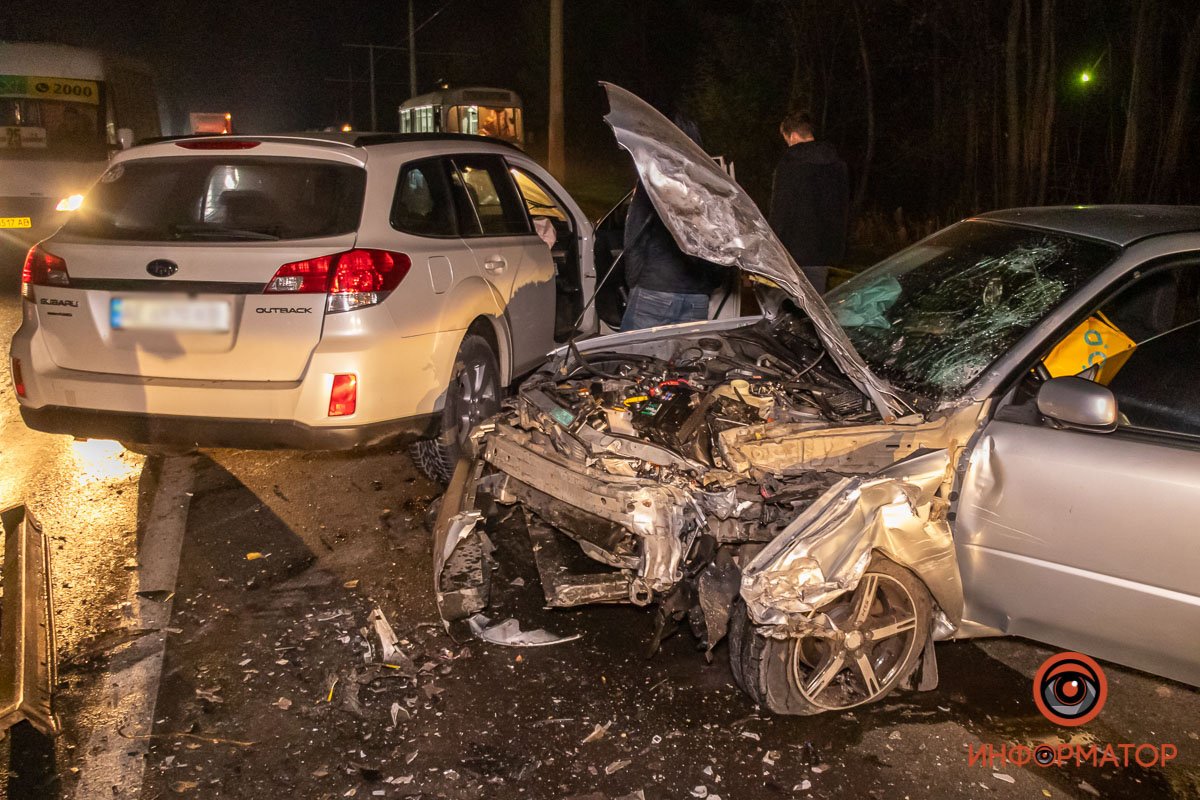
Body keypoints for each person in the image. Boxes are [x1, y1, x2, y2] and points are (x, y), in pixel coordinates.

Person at [620, 181, 724, 330]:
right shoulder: (709, 187)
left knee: (635, 350)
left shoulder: (654, 182)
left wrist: (634, 281)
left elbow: (635, 233)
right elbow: (719, 245)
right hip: (697, 298)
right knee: (686, 351)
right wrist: (709, 285)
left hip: (656, 290)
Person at [768, 111, 849, 294]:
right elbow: (841, 208)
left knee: (787, 307)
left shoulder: (789, 164)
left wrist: (773, 247)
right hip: (824, 252)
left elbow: (780, 209)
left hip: (793, 253)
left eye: (786, 139)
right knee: (814, 307)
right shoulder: (837, 164)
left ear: (793, 135)